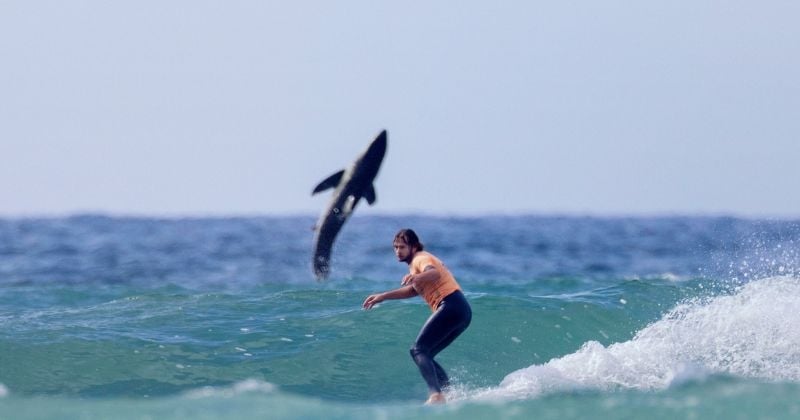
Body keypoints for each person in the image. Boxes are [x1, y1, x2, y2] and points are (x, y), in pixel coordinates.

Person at [363, 229, 472, 405]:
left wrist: (416, 275)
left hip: (451, 305)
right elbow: (413, 290)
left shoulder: (420, 258)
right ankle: (448, 394)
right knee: (426, 354)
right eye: (395, 247)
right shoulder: (416, 264)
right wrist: (383, 296)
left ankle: (436, 395)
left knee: (418, 350)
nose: (398, 251)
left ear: (413, 247)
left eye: (402, 247)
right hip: (461, 311)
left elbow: (434, 273)